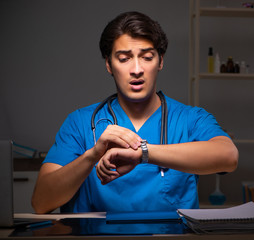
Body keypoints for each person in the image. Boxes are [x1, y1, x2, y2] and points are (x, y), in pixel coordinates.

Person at [31, 11, 238, 214]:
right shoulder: (81, 123)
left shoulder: (190, 119)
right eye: (124, 59)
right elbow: (41, 202)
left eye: (147, 57)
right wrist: (92, 155)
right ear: (109, 65)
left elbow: (228, 157)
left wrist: (143, 153)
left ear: (161, 61)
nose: (137, 69)